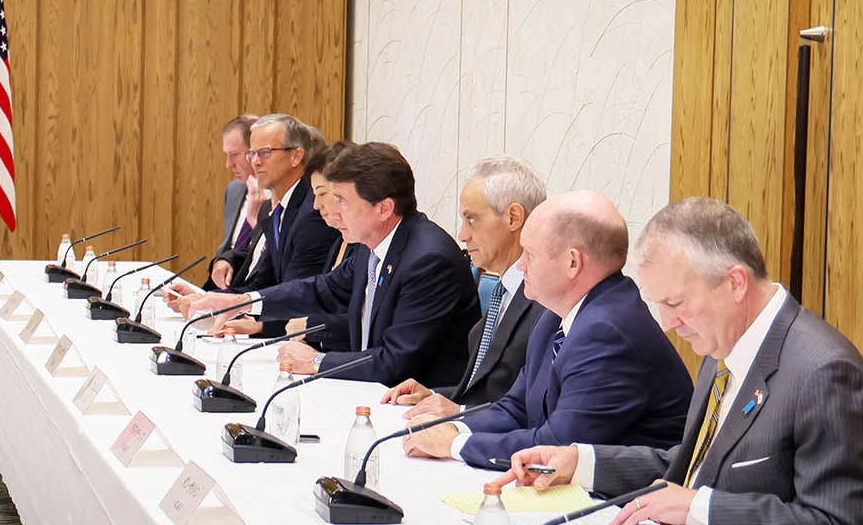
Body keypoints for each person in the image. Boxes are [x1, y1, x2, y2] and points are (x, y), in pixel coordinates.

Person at [490, 197, 863, 525]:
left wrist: (699, 508)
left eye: (676, 303)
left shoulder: (824, 374)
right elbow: (690, 471)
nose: (668, 324)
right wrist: (582, 462)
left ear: (735, 283)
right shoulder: (722, 349)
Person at [403, 190, 689, 467]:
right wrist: (453, 429)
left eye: (529, 254)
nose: (521, 265)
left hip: (625, 504)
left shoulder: (609, 332)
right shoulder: (556, 315)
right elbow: (515, 409)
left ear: (572, 262)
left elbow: (557, 446)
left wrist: (454, 446)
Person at [260, 142, 477, 389]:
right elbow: (323, 289)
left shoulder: (428, 260)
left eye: (342, 201)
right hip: (369, 392)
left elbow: (395, 363)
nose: (335, 211)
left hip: (413, 408)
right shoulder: (372, 245)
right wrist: (248, 301)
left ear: (384, 208)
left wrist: (317, 361)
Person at [387, 156, 548, 410]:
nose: (462, 235)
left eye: (471, 219)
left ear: (513, 217)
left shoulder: (547, 301)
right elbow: (482, 389)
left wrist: (461, 413)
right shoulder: (503, 290)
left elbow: (528, 408)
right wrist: (434, 394)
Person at [166, 113, 340, 317]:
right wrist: (206, 299)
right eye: (252, 153)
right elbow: (262, 281)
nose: (256, 162)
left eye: (265, 153)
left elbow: (296, 295)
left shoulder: (313, 212)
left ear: (296, 156)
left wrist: (246, 318)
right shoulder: (275, 208)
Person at [208, 114, 263, 290]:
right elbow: (227, 246)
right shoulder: (234, 190)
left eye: (234, 155)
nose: (228, 164)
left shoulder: (278, 196)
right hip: (224, 286)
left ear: (255, 153)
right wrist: (220, 261)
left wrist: (259, 223)